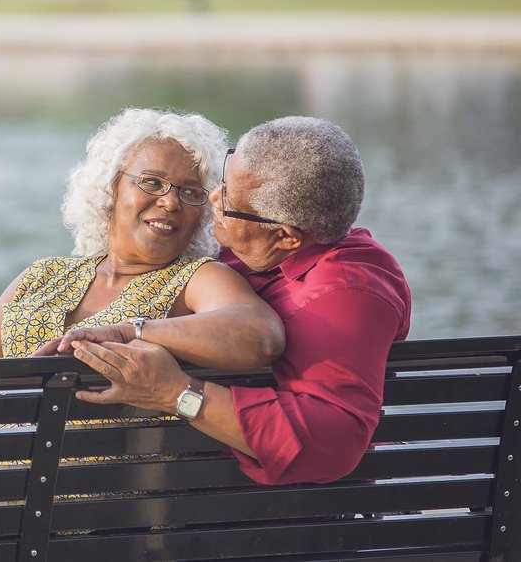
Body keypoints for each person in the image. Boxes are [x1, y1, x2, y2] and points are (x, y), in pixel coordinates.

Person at [44, 116, 412, 486]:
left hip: (269, 507)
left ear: (286, 237)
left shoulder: (346, 292)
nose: (212, 199)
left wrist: (176, 393)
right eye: (222, 180)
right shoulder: (248, 247)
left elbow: (332, 444)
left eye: (229, 200)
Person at [0, 108, 285, 370]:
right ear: (110, 188)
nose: (171, 202)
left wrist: (130, 332)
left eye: (190, 192)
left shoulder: (196, 279)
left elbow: (261, 336)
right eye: (152, 183)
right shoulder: (42, 275)